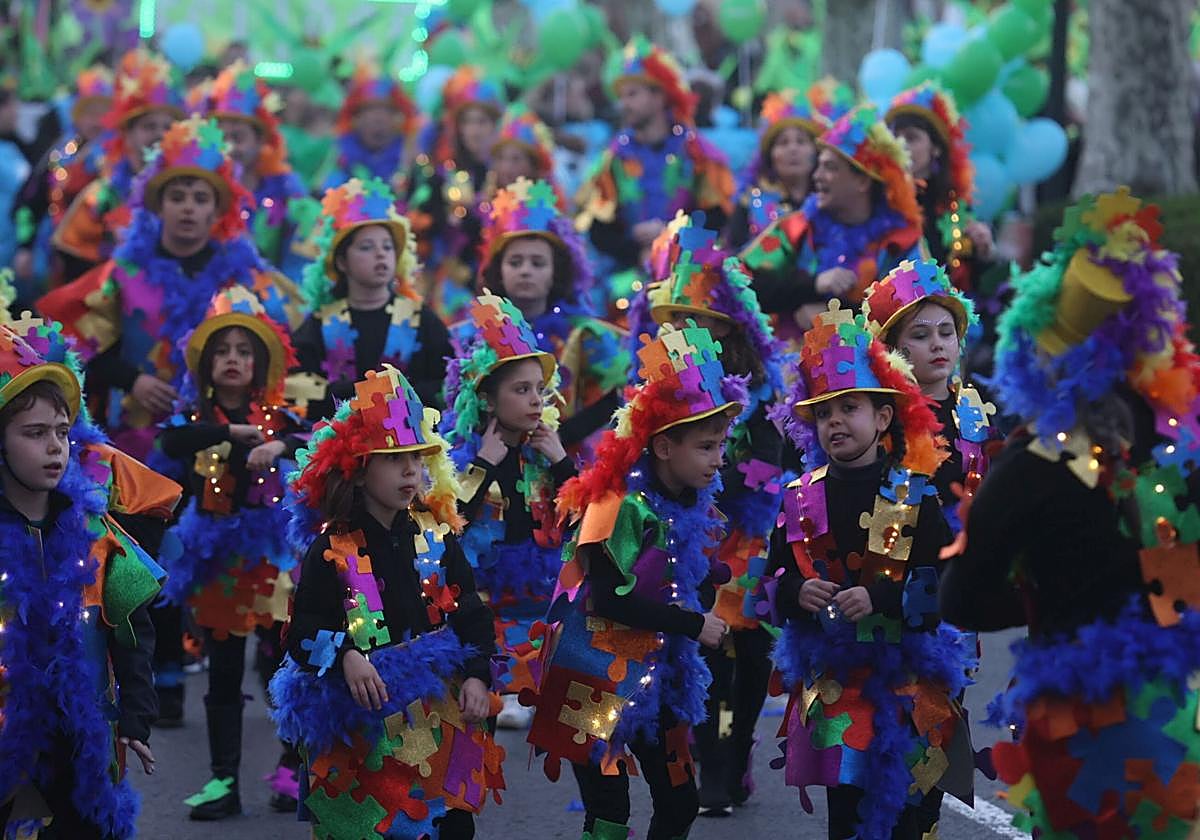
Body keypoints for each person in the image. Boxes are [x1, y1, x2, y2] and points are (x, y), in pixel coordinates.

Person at [939, 188, 1200, 837]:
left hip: (1074, 718)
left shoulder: (1030, 466)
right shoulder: (1179, 451)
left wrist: (1039, 596)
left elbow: (962, 598)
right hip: (1174, 707)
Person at [523, 321, 744, 840]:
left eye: (721, 445)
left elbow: (681, 584)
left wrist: (703, 582)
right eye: (707, 447)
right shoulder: (617, 504)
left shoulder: (693, 503)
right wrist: (693, 622)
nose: (719, 460)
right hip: (592, 676)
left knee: (680, 802)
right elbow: (606, 599)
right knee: (609, 812)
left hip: (657, 674)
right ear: (664, 447)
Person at [764, 301, 975, 840]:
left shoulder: (914, 494)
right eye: (824, 414)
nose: (835, 421)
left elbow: (946, 587)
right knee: (846, 817)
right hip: (837, 685)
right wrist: (796, 591)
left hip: (908, 680)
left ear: (882, 418)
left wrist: (880, 600)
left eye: (849, 407)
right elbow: (770, 584)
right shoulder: (799, 497)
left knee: (909, 817)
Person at [271, 364, 505, 840]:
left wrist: (478, 675)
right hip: (365, 717)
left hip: (436, 707)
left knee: (452, 825)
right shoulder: (332, 548)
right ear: (359, 472)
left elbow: (470, 612)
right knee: (375, 828)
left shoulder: (437, 535)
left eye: (417, 458)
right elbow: (303, 628)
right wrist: (345, 655)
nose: (411, 470)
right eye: (394, 459)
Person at [0, 312, 182, 839]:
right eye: (35, 433)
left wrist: (136, 716)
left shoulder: (94, 533)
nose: (55, 447)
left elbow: (130, 628)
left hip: (84, 738)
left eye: (62, 432)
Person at [633, 212, 787, 817]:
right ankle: (711, 762)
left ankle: (734, 746)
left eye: (695, 320)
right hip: (683, 533)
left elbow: (770, 463)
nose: (682, 332)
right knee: (701, 643)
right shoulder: (659, 385)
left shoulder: (760, 387)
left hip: (745, 534)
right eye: (675, 321)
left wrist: (721, 475)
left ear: (726, 329)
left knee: (749, 651)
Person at [38, 115, 303, 463]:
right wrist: (132, 380)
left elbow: (292, 340)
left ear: (217, 212)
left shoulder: (245, 277)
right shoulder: (123, 274)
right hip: (137, 439)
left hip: (223, 447)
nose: (188, 207)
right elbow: (68, 341)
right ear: (158, 207)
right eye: (177, 197)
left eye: (201, 198)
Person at [159, 287, 307, 819]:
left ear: (260, 364)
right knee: (223, 672)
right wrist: (226, 431)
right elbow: (172, 443)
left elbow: (313, 439)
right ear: (206, 364)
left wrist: (278, 444)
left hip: (271, 562)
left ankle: (291, 769)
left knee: (278, 666)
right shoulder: (192, 416)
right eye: (222, 351)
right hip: (217, 565)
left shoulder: (278, 415)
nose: (233, 359)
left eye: (244, 351)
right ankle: (223, 780)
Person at [441, 290, 574, 728]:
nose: (537, 400)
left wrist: (561, 461)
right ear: (486, 400)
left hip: (535, 599)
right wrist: (483, 464)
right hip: (481, 600)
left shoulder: (543, 450)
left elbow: (582, 516)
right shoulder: (462, 455)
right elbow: (448, 520)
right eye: (522, 390)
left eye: (540, 390)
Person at [470, 176, 629, 453]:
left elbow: (619, 396)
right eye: (515, 262)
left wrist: (562, 437)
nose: (525, 271)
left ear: (556, 272)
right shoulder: (471, 333)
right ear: (499, 271)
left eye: (538, 263)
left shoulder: (586, 334)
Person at [576, 38, 734, 314]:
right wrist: (633, 248)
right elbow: (598, 227)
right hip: (628, 285)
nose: (624, 104)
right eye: (622, 96)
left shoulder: (695, 152)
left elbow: (718, 215)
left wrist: (670, 233)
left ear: (659, 96)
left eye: (632, 94)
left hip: (689, 280)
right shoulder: (614, 158)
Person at [740, 103, 923, 333]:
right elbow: (741, 282)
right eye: (819, 166)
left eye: (830, 167)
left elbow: (913, 314)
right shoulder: (796, 228)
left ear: (862, 181)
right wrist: (814, 285)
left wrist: (835, 316)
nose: (817, 176)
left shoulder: (899, 242)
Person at [288, 176, 452, 419]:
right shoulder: (321, 323)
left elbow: (447, 384)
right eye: (366, 247)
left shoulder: (422, 320)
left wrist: (396, 396)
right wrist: (358, 397)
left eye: (387, 247)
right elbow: (296, 389)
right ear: (342, 262)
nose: (380, 254)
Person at [862, 258, 994, 531]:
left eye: (946, 333)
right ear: (890, 350)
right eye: (921, 335)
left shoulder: (974, 407)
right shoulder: (881, 419)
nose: (937, 344)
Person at [51, 49, 183, 282]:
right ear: (128, 135)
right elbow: (74, 267)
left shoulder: (185, 191)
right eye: (149, 126)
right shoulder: (100, 197)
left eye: (167, 127)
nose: (159, 134)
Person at [407, 65, 504, 322]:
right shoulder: (441, 174)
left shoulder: (507, 172)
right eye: (467, 122)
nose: (474, 130)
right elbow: (425, 229)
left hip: (500, 280)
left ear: (495, 126)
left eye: (481, 122)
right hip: (454, 286)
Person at [199, 60, 310, 281]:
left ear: (260, 142)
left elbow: (300, 273)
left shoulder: (288, 196)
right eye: (222, 138)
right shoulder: (198, 193)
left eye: (238, 138)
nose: (230, 148)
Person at [11, 66, 113, 293]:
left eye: (102, 113)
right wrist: (25, 246)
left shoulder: (118, 158)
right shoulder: (61, 153)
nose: (96, 121)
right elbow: (32, 200)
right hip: (56, 258)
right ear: (76, 117)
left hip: (101, 261)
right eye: (89, 113)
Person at [886, 83, 992, 292]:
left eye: (911, 137)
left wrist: (984, 249)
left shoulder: (953, 204)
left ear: (935, 148)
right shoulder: (880, 198)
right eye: (895, 137)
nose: (901, 145)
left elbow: (971, 277)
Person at [724, 80, 851, 250]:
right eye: (783, 143)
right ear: (770, 155)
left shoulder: (831, 200)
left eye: (801, 141)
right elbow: (732, 255)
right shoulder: (750, 203)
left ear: (817, 153)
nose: (793, 149)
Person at [320, 61, 420, 192]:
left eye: (385, 111)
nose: (378, 118)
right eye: (369, 111)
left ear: (397, 119)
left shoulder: (410, 156)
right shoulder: (340, 155)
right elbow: (325, 192)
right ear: (356, 119)